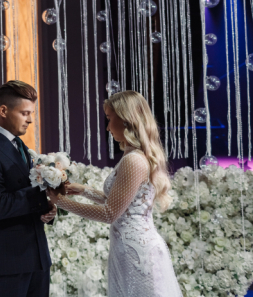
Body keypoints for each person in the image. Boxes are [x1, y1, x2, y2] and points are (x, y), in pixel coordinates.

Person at [47, 90, 183, 297]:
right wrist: (84, 191)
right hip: (128, 247)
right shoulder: (133, 156)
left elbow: (110, 213)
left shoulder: (133, 160)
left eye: (110, 119)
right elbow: (122, 204)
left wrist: (60, 201)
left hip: (136, 251)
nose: (108, 127)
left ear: (126, 120)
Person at [0, 80, 57, 297]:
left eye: (31, 113)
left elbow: (27, 195)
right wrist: (42, 193)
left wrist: (47, 208)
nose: (30, 120)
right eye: (24, 113)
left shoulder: (20, 146)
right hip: (8, 263)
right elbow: (0, 206)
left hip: (37, 259)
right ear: (3, 111)